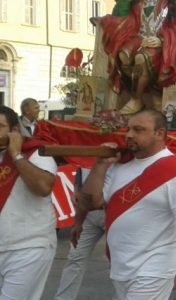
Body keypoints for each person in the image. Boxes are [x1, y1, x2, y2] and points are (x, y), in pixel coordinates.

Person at [80, 110, 176, 298]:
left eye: (138, 130)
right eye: (128, 129)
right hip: (121, 266)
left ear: (159, 134)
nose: (129, 135)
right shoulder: (119, 165)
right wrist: (100, 165)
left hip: (154, 269)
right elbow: (91, 202)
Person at [0, 106, 57, 300]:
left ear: (14, 130)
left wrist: (16, 155)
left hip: (28, 247)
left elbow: (43, 187)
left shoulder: (36, 152)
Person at [55, 169, 107, 300]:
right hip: (88, 214)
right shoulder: (92, 151)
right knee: (75, 257)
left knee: (121, 263)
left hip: (114, 212)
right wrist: (77, 188)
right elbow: (81, 168)